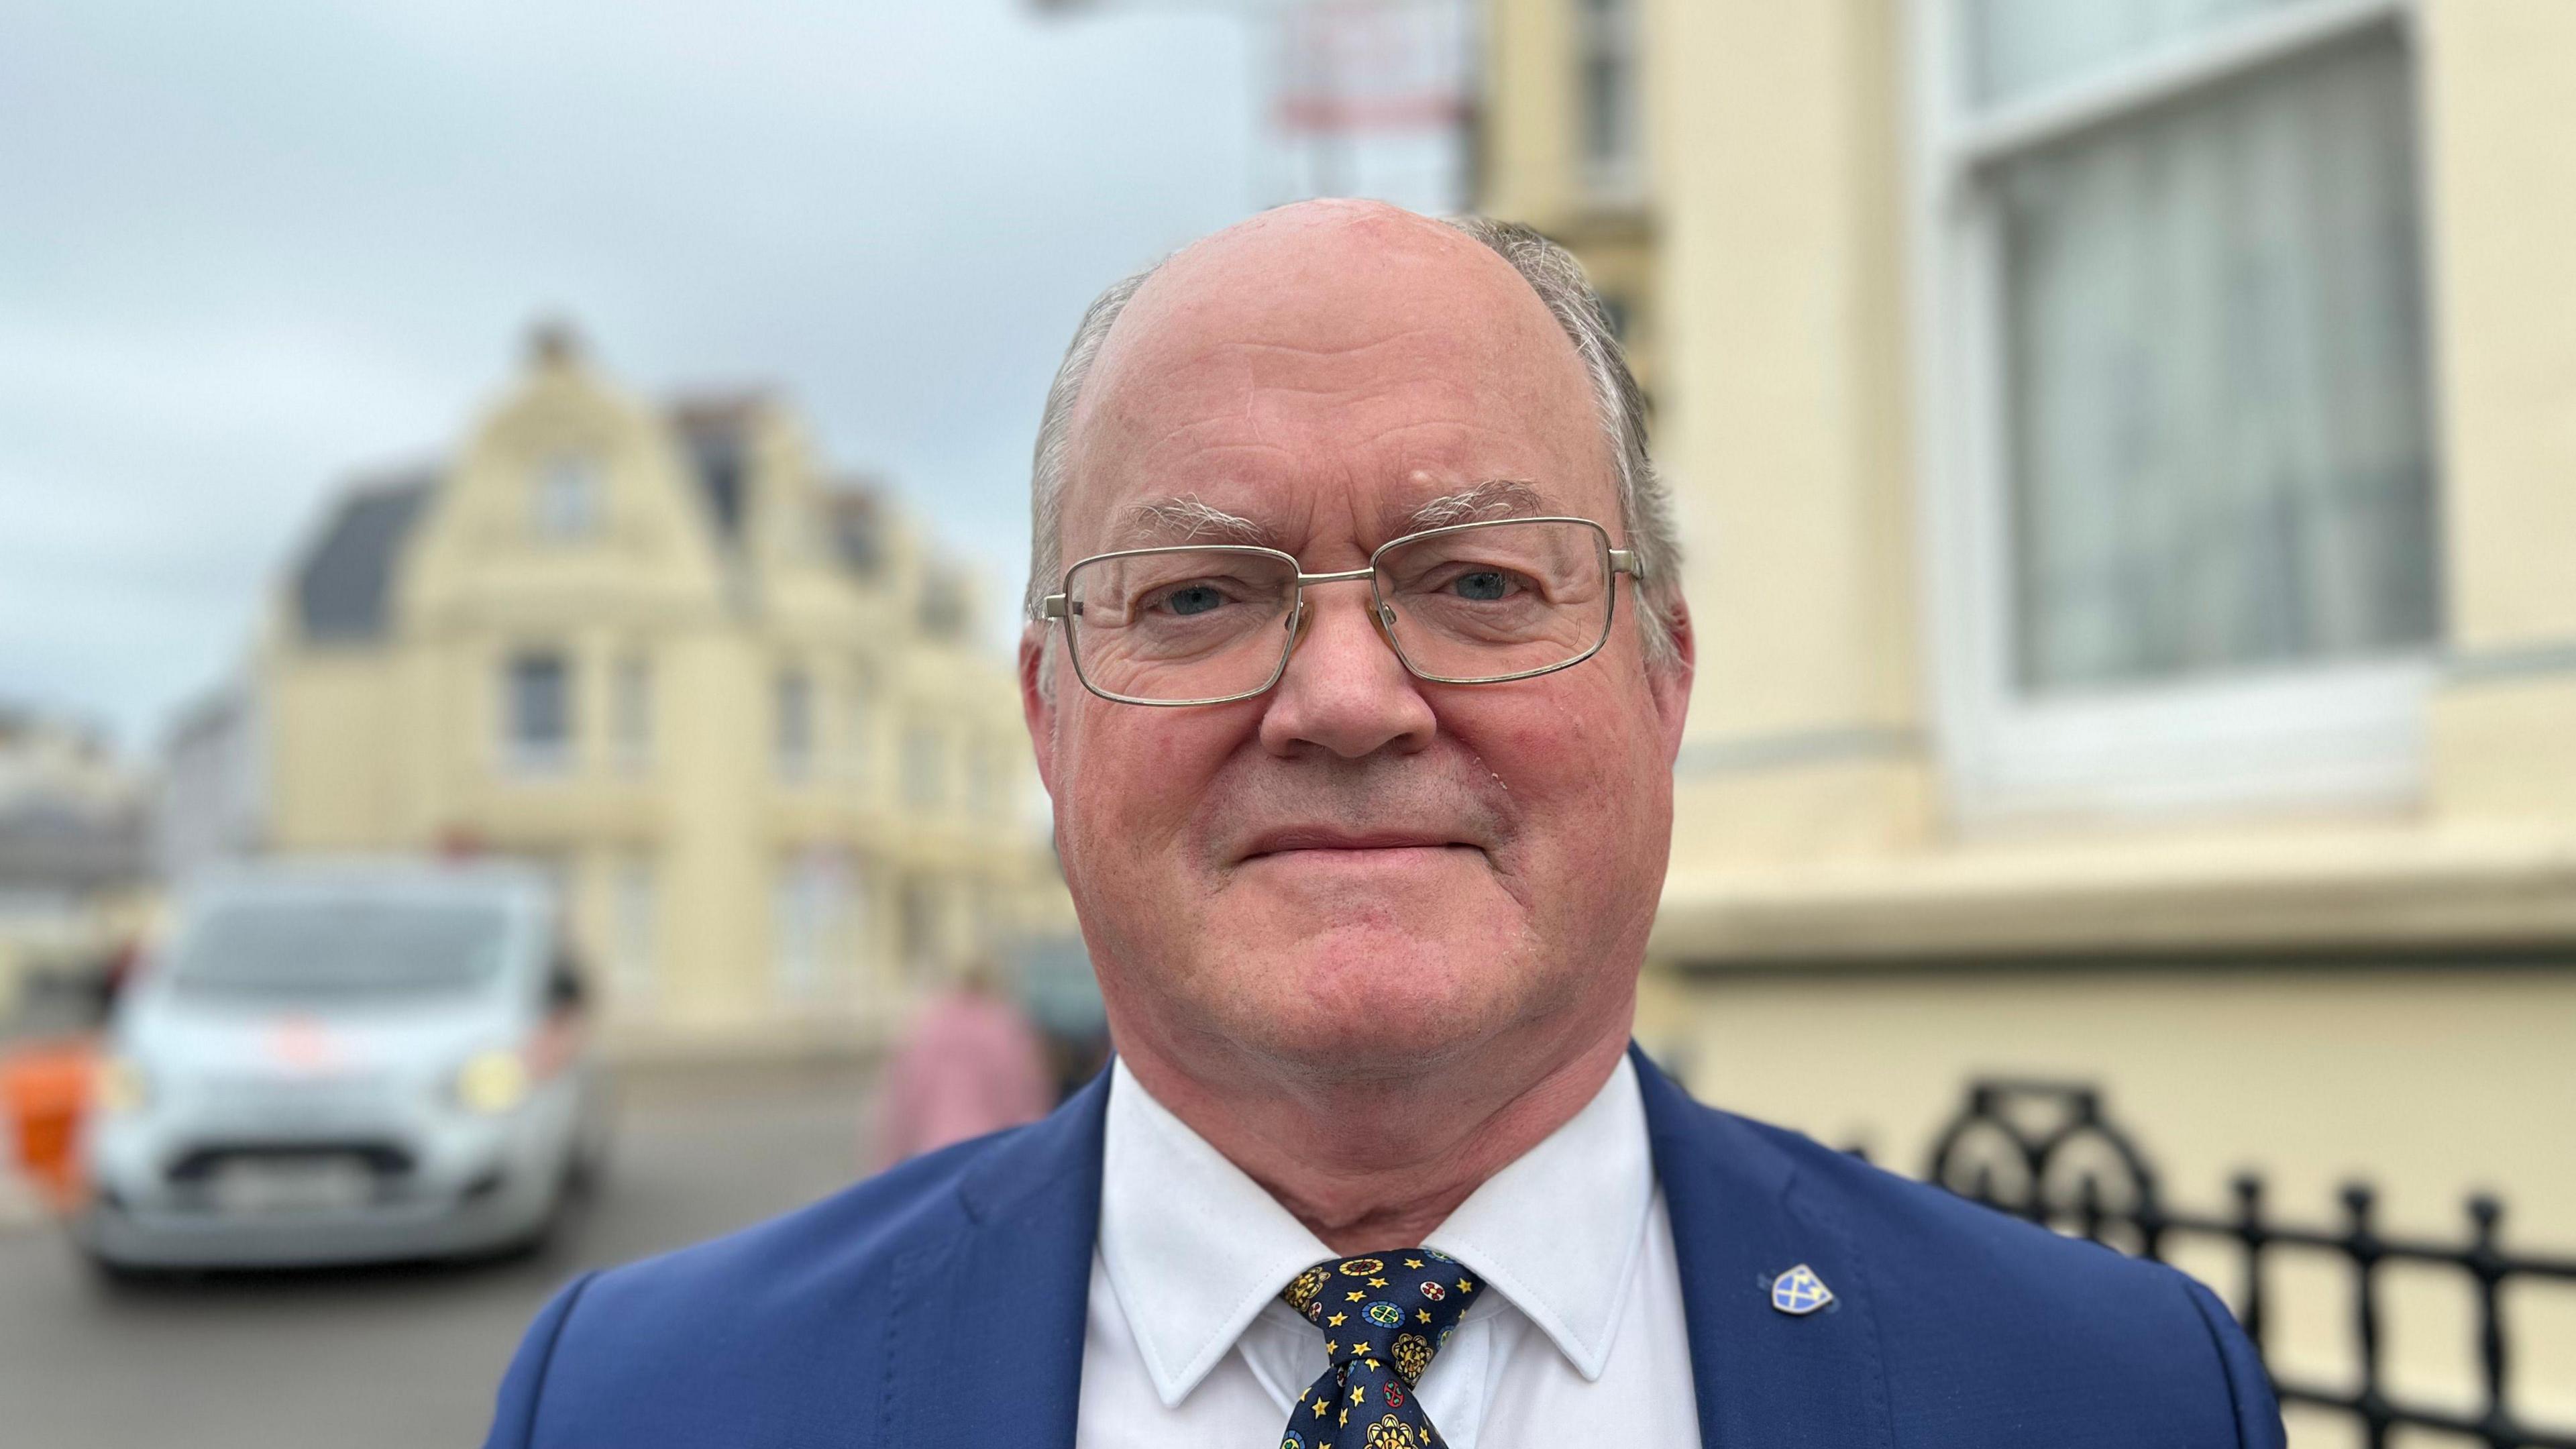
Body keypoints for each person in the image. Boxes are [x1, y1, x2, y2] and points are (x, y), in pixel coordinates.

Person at [482, 201, 2282, 1448]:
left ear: (1664, 683)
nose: (1344, 700)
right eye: (1195, 596)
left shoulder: (2116, 1393)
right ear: (1045, 714)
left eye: (1481, 579)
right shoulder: (644, 1401)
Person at [869, 959, 1054, 1169]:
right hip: (990, 1153)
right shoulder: (1006, 1028)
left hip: (932, 1151)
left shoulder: (927, 1029)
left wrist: (888, 1164)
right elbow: (1026, 1100)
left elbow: (903, 1103)